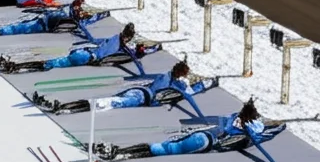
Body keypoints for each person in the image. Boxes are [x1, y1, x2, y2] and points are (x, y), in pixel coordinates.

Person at [94, 99, 284, 162]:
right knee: (165, 151)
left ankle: (121, 150)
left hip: (205, 134)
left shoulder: (233, 115)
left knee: (163, 146)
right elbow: (260, 136)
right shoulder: (252, 128)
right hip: (207, 142)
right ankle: (122, 154)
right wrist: (278, 128)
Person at [32, 60, 218, 116]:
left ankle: (63, 104)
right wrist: (207, 84)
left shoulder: (165, 75)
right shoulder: (175, 83)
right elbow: (189, 92)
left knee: (105, 100)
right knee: (107, 103)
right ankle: (63, 106)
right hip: (141, 97)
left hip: (139, 91)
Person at [0, 22, 152, 75]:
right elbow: (131, 55)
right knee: (51, 64)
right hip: (87, 57)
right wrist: (139, 53)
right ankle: (18, 66)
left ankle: (17, 64)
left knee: (52, 61)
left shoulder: (116, 37)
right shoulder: (120, 44)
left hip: (85, 51)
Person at [0, 0, 109, 39]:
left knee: (12, 28)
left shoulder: (72, 14)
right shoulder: (71, 13)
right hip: (40, 22)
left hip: (42, 23)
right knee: (12, 28)